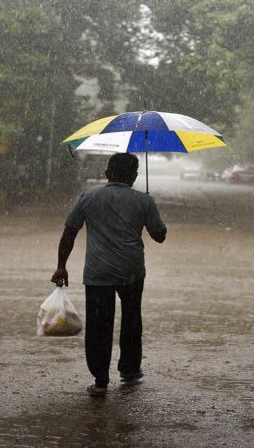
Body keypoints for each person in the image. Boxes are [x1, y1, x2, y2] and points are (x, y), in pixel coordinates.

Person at [51, 153, 167, 398]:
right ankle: (129, 369)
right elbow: (159, 236)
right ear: (134, 176)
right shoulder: (143, 201)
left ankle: (100, 381)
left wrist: (61, 266)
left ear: (107, 173)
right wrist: (148, 209)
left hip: (98, 272)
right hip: (131, 271)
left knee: (98, 325)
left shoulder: (87, 198)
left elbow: (69, 233)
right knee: (132, 319)